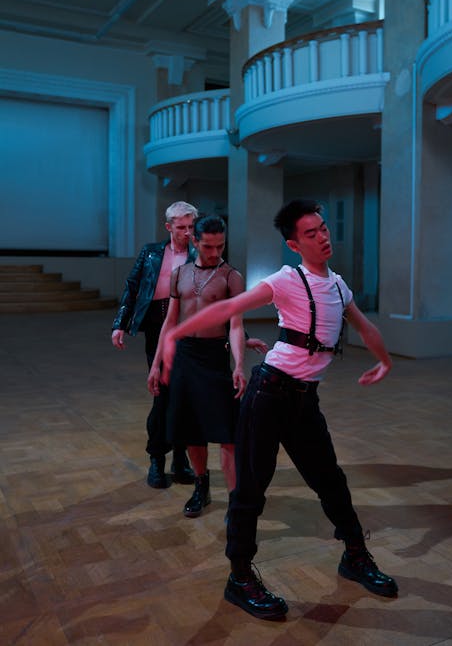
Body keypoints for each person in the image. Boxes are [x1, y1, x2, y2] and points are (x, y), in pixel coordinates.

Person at [155, 198, 398, 620]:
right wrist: (176, 336)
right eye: (311, 233)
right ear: (293, 244)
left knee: (331, 481)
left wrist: (385, 359)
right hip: (269, 394)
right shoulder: (287, 279)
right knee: (250, 489)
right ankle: (240, 577)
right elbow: (230, 308)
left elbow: (364, 325)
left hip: (305, 399)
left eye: (323, 228)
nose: (323, 236)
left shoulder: (339, 286)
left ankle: (355, 555)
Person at [148, 214, 248, 519]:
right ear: (195, 241)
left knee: (227, 432)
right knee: (192, 429)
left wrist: (240, 364)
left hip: (215, 356)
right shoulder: (180, 274)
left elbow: (235, 325)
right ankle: (201, 487)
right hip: (184, 357)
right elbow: (170, 321)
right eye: (208, 247)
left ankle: (235, 499)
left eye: (220, 246)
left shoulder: (232, 277)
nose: (215, 253)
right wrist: (156, 365)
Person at [111, 201, 198, 489]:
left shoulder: (200, 254)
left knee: (185, 397)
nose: (187, 232)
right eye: (181, 227)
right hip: (156, 326)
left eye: (190, 226)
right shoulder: (151, 252)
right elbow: (133, 286)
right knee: (162, 395)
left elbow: (219, 300)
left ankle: (181, 460)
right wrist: (120, 323)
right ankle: (157, 460)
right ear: (169, 226)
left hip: (189, 329)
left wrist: (241, 336)